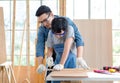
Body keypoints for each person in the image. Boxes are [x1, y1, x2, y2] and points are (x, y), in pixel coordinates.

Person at [35, 5, 89, 78]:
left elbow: (78, 39)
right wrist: (40, 64)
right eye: (41, 22)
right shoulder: (43, 29)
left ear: (51, 14)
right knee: (50, 78)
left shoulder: (67, 23)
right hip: (53, 56)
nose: (44, 24)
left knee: (68, 78)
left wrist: (79, 57)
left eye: (45, 20)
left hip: (68, 54)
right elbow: (40, 46)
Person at [46, 17, 77, 83]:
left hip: (70, 58)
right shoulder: (50, 33)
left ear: (65, 30)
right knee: (54, 79)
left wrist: (61, 64)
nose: (58, 36)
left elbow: (66, 49)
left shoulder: (70, 29)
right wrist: (49, 58)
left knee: (70, 80)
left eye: (61, 34)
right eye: (56, 34)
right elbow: (50, 49)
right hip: (58, 58)